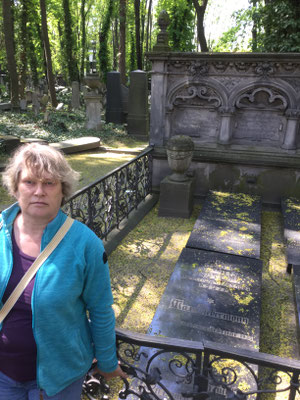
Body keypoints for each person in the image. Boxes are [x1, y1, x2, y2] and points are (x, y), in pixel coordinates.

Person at [0, 143, 127, 399]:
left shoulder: (84, 244)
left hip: (58, 381)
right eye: (29, 182)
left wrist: (107, 361)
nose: (39, 191)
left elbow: (100, 309)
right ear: (15, 188)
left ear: (62, 190)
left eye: (49, 183)